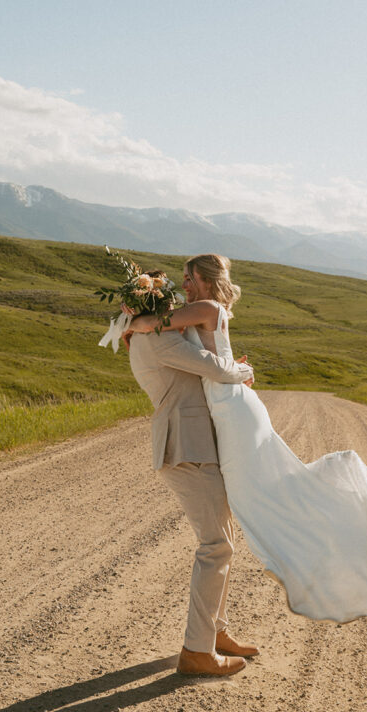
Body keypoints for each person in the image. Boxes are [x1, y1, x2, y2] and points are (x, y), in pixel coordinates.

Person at [127, 254, 367, 625]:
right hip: (228, 406)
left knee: (265, 499)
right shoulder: (205, 307)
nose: (183, 285)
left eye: (187, 277)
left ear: (204, 279)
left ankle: (337, 552)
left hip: (233, 410)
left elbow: (154, 323)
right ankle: (232, 617)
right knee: (262, 499)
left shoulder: (206, 305)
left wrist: (130, 316)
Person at [124, 286, 260, 678]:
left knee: (223, 540)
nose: (175, 301)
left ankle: (217, 632)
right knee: (215, 546)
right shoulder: (158, 339)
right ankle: (197, 651)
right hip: (186, 445)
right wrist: (244, 371)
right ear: (156, 303)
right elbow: (214, 368)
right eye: (168, 296)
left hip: (193, 443)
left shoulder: (149, 335)